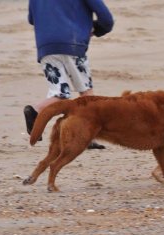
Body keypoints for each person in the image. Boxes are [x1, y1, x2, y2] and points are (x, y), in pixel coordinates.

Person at [24, 0, 114, 149]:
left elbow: (31, 19)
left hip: (46, 48)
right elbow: (106, 19)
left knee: (60, 92)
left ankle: (35, 110)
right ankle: (87, 136)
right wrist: (95, 29)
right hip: (73, 44)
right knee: (86, 92)